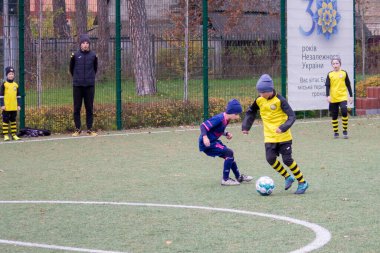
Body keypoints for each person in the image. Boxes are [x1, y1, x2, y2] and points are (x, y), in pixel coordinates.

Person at [242, 74, 308, 194]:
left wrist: (283, 128)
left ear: (270, 90)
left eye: (262, 92)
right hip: (269, 137)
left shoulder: (280, 100)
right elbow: (251, 112)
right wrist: (246, 126)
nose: (261, 94)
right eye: (259, 92)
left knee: (287, 160)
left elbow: (292, 116)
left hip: (284, 136)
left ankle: (302, 182)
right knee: (270, 159)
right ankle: (287, 177)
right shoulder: (259, 100)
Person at [199, 99, 253, 186]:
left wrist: (226, 133)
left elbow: (218, 129)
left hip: (214, 141)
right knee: (229, 152)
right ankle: (225, 179)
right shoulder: (219, 118)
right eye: (237, 114)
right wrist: (205, 138)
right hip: (207, 144)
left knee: (229, 155)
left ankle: (238, 177)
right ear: (232, 112)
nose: (238, 117)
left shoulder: (226, 119)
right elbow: (203, 126)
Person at [70, 34, 98, 137]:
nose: (85, 45)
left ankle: (89, 129)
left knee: (89, 108)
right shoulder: (75, 55)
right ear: (80, 44)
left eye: (87, 43)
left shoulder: (93, 56)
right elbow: (71, 69)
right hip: (77, 85)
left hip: (89, 86)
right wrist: (77, 78)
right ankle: (78, 129)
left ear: (89, 45)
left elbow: (95, 68)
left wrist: (89, 78)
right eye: (83, 43)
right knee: (77, 108)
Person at [325, 56, 353, 139]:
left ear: (340, 64)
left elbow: (348, 84)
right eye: (333, 63)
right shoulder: (330, 74)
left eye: (337, 63)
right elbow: (327, 86)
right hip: (333, 98)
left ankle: (345, 130)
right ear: (332, 65)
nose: (335, 65)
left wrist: (351, 96)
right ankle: (336, 132)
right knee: (334, 115)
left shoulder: (344, 73)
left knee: (344, 111)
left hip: (343, 97)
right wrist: (328, 95)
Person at [0, 66, 21, 141]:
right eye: (9, 74)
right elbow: (1, 96)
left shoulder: (16, 85)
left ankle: (14, 135)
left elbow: (18, 96)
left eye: (12, 74)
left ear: (14, 75)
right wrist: (2, 105)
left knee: (13, 121)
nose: (11, 75)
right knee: (5, 121)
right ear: (7, 75)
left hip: (13, 107)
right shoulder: (4, 84)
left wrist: (19, 105)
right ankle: (5, 135)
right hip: (6, 107)